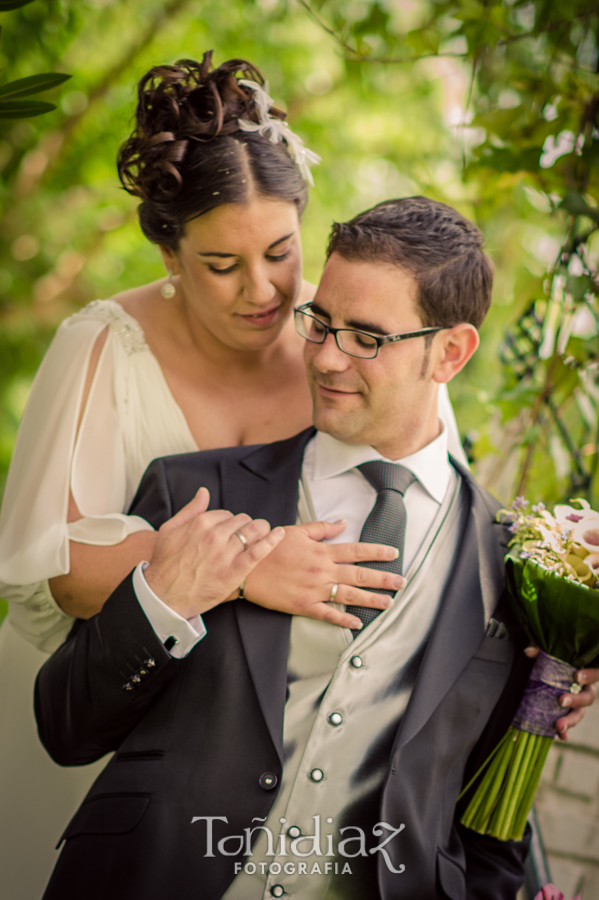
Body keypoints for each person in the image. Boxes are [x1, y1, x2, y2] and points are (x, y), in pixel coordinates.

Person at [36, 197, 598, 900]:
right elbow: (64, 727)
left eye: (366, 337)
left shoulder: (512, 568)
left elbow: (486, 827)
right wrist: (167, 593)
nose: (327, 357)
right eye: (321, 323)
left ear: (449, 352)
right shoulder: (194, 490)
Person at [0, 55, 466, 898]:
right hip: (120, 719)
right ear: (170, 252)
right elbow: (63, 573)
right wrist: (249, 565)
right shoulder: (104, 346)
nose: (262, 291)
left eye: (282, 254)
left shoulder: (355, 346)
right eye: (221, 266)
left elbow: (440, 522)